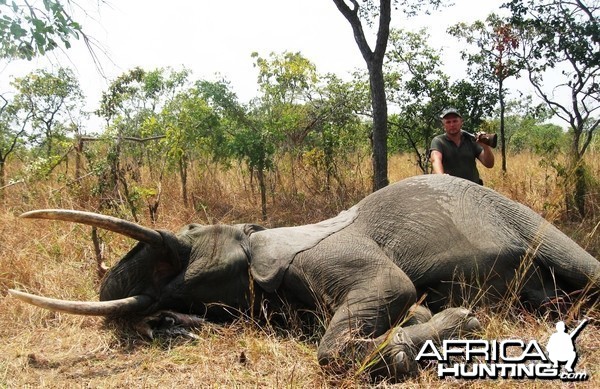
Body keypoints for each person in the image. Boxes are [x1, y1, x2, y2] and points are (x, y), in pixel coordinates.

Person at [429, 108, 495, 184]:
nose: (452, 125)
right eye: (448, 122)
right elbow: (435, 159)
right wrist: (441, 177)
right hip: (450, 187)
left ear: (461, 122)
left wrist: (485, 146)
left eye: (455, 121)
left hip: (473, 187)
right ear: (443, 125)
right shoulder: (438, 141)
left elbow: (489, 164)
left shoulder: (471, 140)